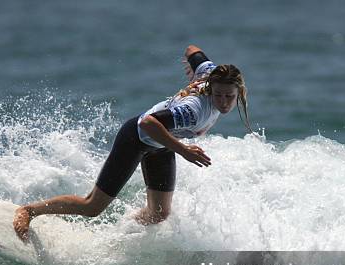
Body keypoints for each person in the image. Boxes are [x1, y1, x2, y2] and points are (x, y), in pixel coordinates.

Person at [13, 45, 252, 240]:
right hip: (136, 139)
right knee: (92, 207)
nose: (222, 101)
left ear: (239, 91)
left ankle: (119, 231)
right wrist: (184, 151)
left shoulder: (211, 72)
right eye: (217, 94)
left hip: (161, 145)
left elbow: (192, 50)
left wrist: (193, 67)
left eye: (229, 96)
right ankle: (29, 210)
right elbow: (147, 123)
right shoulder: (194, 111)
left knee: (159, 214)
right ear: (211, 88)